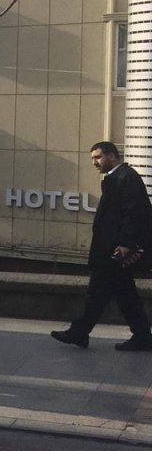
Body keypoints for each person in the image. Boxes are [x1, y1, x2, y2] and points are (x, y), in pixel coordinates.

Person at [51, 141, 152, 352]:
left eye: (98, 157)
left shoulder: (126, 178)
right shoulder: (118, 178)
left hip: (114, 250)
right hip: (111, 249)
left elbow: (134, 213)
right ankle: (140, 335)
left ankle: (81, 332)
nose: (95, 162)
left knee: (101, 293)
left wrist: (125, 243)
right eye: (93, 159)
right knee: (119, 294)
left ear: (112, 156)